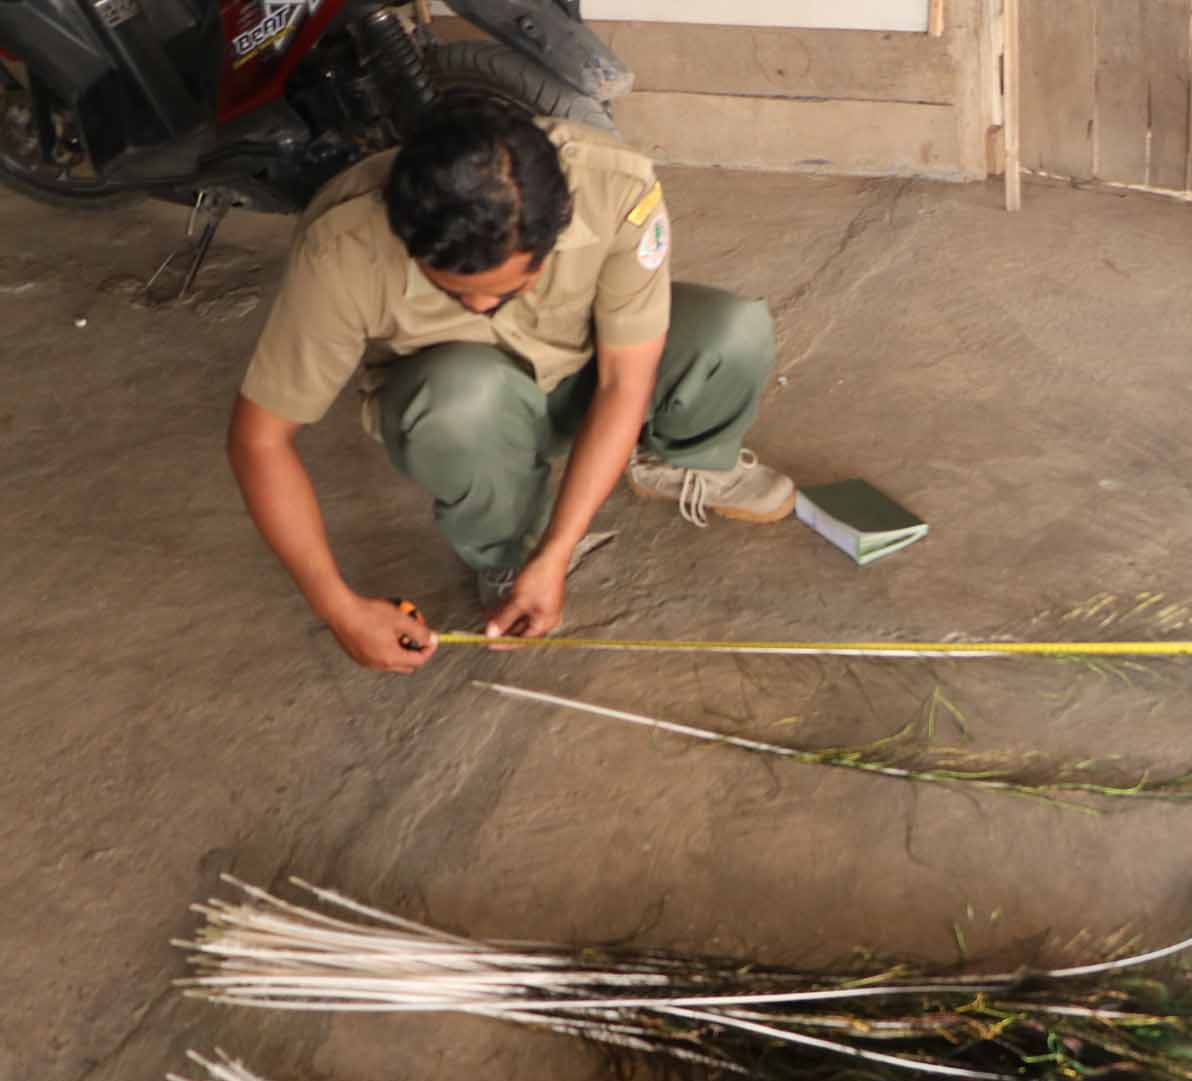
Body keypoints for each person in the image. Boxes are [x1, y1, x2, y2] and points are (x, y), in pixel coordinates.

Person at [228, 102, 790, 674]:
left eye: (502, 291)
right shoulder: (343, 248)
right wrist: (339, 607)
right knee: (459, 403)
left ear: (557, 227)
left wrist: (561, 550)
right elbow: (260, 441)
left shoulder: (616, 189)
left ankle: (677, 459)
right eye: (451, 291)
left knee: (730, 332)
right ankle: (507, 550)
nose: (477, 306)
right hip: (469, 415)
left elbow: (624, 382)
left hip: (585, 376)